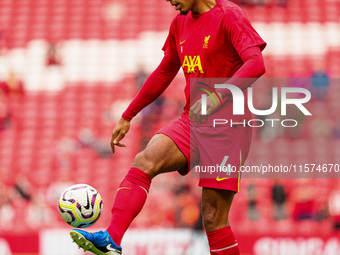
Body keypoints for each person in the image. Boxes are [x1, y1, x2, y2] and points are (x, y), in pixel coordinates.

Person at [70, 0, 266, 254]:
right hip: (192, 120)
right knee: (145, 160)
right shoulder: (180, 23)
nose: (169, 0)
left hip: (227, 128)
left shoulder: (229, 15)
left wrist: (218, 96)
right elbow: (165, 71)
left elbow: (256, 63)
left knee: (212, 217)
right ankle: (112, 239)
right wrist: (128, 114)